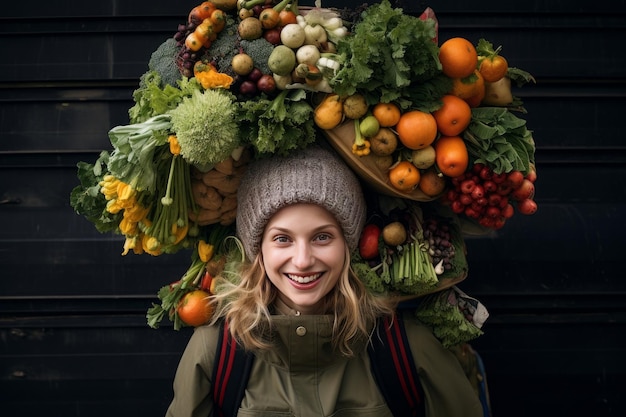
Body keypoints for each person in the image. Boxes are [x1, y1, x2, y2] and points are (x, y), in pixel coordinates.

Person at [165, 145, 484, 417]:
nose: (302, 260)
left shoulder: (408, 347)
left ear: (348, 244)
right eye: (282, 239)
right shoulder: (216, 351)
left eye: (322, 237)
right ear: (257, 250)